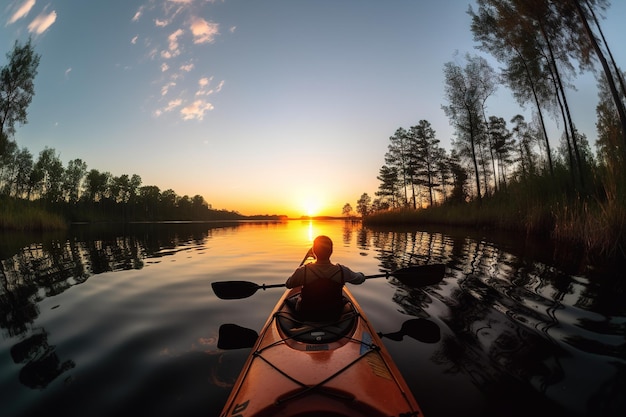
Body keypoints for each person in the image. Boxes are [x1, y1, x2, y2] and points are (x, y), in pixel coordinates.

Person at [286, 235, 365, 321]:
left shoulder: (303, 271)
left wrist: (300, 268)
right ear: (331, 251)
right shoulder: (342, 271)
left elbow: (288, 284)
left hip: (307, 314)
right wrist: (362, 275)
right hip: (334, 314)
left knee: (290, 301)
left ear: (314, 251)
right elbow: (359, 279)